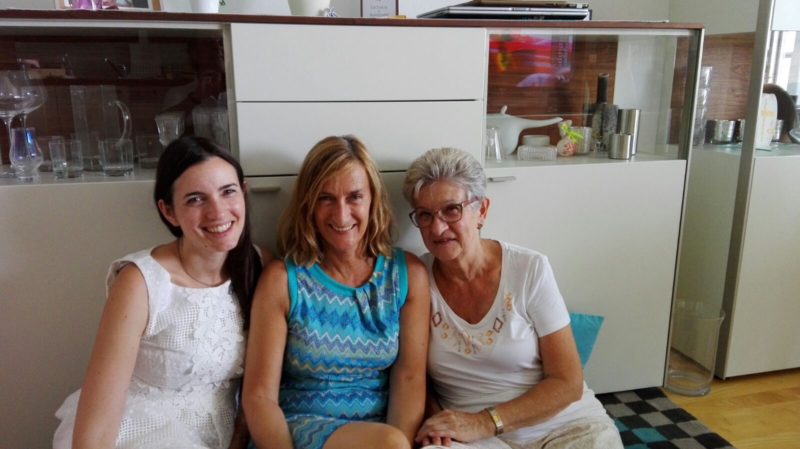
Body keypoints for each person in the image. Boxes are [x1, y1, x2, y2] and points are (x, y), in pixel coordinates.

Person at [52, 136, 270, 449]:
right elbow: (97, 422)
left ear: (243, 193)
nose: (218, 212)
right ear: (168, 212)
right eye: (196, 199)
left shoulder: (261, 266)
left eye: (228, 192)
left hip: (226, 435)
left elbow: (262, 384)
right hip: (144, 433)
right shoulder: (140, 283)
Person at [402, 147, 622, 449]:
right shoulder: (416, 278)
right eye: (425, 215)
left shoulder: (529, 268)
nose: (437, 227)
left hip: (567, 427)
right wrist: (437, 421)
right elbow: (412, 375)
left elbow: (567, 381)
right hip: (474, 440)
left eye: (451, 210)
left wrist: (485, 422)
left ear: (481, 210)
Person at [243, 135, 430, 449]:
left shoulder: (406, 275)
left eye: (354, 197)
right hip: (297, 430)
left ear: (373, 199)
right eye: (326, 198)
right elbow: (259, 396)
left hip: (381, 437)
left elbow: (410, 381)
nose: (341, 215)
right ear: (309, 205)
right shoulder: (283, 280)